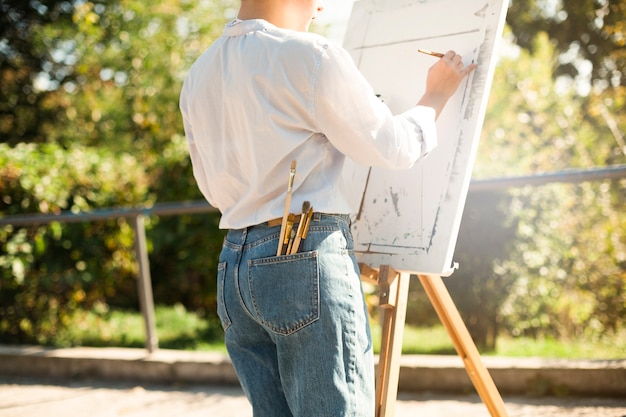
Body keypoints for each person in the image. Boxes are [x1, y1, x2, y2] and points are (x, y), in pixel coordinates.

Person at [179, 0, 475, 414]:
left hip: (234, 267)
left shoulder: (199, 73)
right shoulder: (310, 55)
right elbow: (392, 145)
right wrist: (435, 95)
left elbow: (213, 190)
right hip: (301, 257)